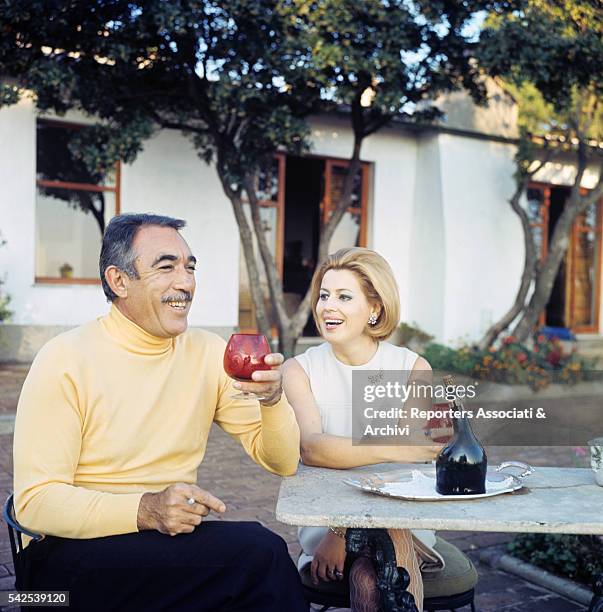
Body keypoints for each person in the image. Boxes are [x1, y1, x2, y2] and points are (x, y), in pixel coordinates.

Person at [13, 213, 308, 612]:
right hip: (59, 568)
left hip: (161, 546)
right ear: (119, 281)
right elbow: (35, 503)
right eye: (165, 267)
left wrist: (272, 401)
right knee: (261, 556)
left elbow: (283, 461)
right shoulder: (64, 359)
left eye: (190, 268)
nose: (185, 282)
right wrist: (146, 509)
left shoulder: (207, 354)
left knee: (249, 564)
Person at [282, 247, 443, 612]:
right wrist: (338, 530)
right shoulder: (299, 370)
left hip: (400, 515)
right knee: (374, 578)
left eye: (343, 296)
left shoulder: (413, 368)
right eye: (324, 296)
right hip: (324, 520)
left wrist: (347, 528)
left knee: (372, 578)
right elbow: (313, 449)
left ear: (375, 308)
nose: (327, 306)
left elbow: (406, 474)